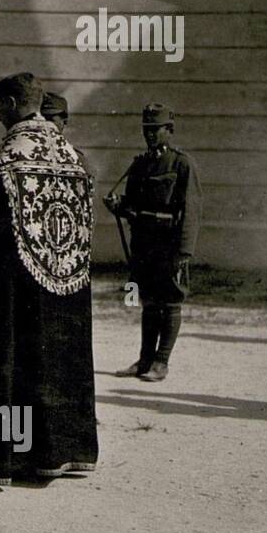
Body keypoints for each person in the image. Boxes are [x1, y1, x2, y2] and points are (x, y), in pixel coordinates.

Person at [0, 72, 98, 486]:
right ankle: (59, 454)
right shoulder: (70, 156)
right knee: (51, 359)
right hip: (65, 289)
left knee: (4, 356)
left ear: (11, 103)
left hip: (11, 290)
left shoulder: (11, 156)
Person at [104, 103, 202, 382]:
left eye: (155, 129)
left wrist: (185, 250)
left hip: (169, 243)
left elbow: (192, 209)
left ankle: (161, 362)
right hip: (144, 243)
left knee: (170, 301)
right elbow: (131, 205)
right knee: (149, 302)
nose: (149, 134)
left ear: (169, 130)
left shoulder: (182, 164)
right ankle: (145, 359)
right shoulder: (140, 164)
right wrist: (117, 206)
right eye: (146, 129)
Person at [42, 91, 92, 178]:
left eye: (50, 119)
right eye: (42, 118)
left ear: (64, 121)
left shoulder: (76, 158)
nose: (44, 124)